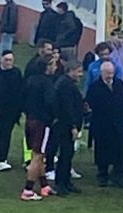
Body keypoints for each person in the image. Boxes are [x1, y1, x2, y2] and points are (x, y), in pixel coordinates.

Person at [86, 61, 123, 188]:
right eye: (107, 73)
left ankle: (118, 175)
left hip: (119, 123)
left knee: (120, 149)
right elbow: (90, 105)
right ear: (102, 73)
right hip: (102, 124)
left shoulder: (119, 84)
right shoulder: (95, 87)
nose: (110, 76)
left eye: (112, 73)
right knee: (102, 149)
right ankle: (102, 175)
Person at [21, 54, 58, 201]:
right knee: (38, 156)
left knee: (39, 154)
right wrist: (54, 116)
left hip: (30, 120)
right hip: (43, 123)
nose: (56, 67)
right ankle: (28, 189)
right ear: (47, 66)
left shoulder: (30, 80)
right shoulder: (47, 83)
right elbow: (50, 103)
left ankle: (44, 185)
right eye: (54, 64)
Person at [0, 50, 23, 171]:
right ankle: (0, 155)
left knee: (6, 133)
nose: (8, 62)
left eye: (10, 60)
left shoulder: (16, 73)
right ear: (0, 59)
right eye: (6, 60)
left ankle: (2, 159)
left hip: (11, 110)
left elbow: (20, 92)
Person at [54, 60, 84, 195]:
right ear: (70, 71)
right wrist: (73, 126)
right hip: (65, 126)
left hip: (67, 125)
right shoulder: (65, 85)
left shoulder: (66, 83)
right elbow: (67, 108)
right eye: (78, 71)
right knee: (65, 154)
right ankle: (61, 183)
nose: (81, 74)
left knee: (68, 153)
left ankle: (65, 181)